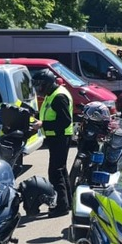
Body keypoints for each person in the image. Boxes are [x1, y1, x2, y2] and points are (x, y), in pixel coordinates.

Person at [32, 68, 73, 217]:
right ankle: (67, 202)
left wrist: (43, 125)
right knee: (61, 170)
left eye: (39, 85)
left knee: (55, 173)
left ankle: (61, 207)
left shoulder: (59, 96)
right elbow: (50, 114)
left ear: (47, 83)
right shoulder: (52, 94)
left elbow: (64, 121)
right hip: (56, 136)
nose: (38, 88)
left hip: (60, 136)